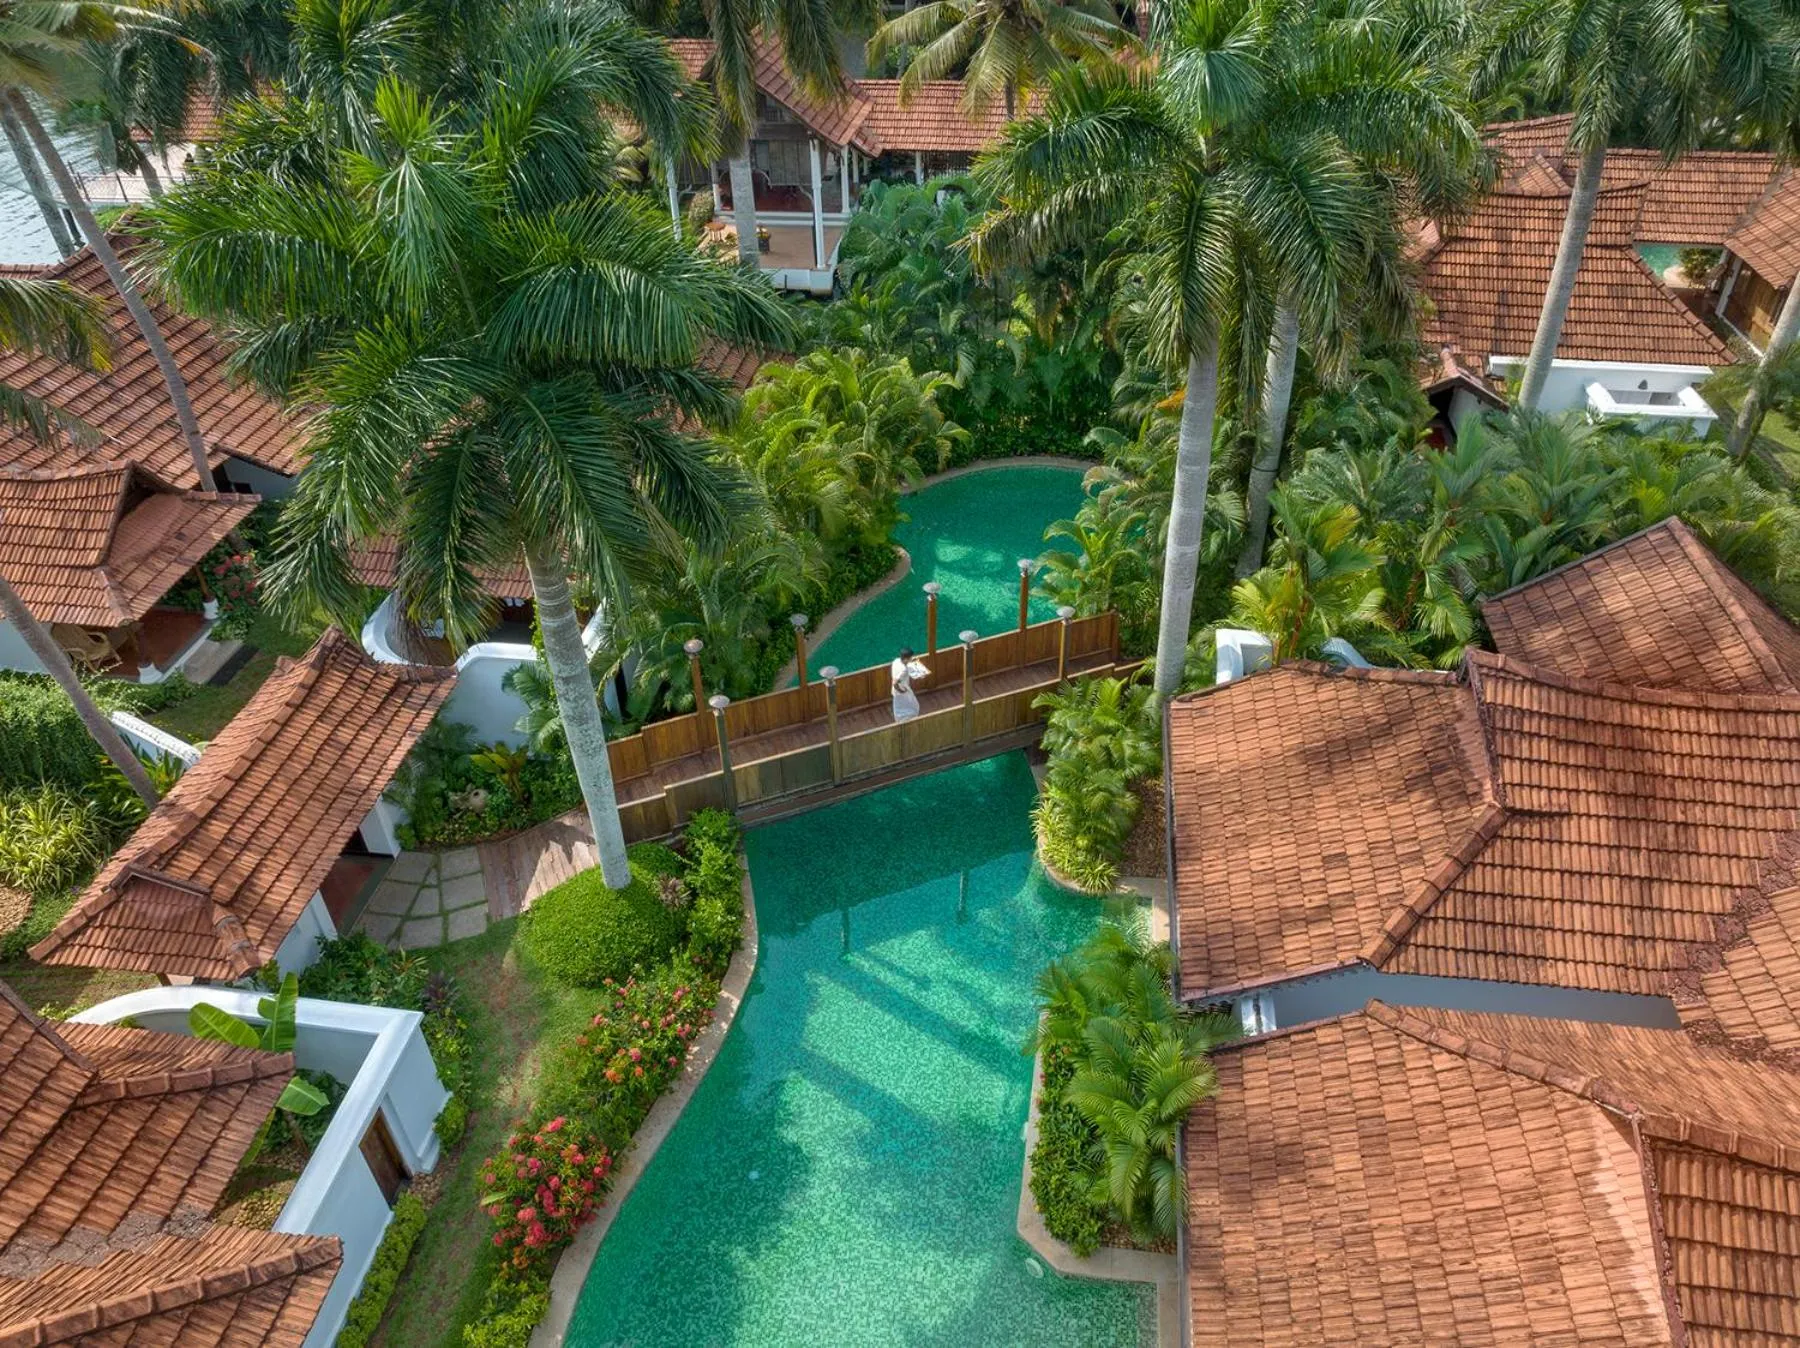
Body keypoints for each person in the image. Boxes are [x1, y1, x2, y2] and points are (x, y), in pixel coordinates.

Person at [890, 647, 927, 722]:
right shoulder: (904, 670)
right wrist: (901, 691)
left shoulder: (896, 661)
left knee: (899, 706)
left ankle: (900, 719)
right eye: (910, 658)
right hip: (903, 689)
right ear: (906, 659)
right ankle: (906, 720)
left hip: (896, 691)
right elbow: (895, 682)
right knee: (912, 705)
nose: (911, 659)